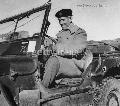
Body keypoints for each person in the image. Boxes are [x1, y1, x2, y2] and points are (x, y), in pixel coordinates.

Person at [41, 9, 93, 88]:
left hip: (76, 65)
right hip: (64, 63)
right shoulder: (60, 34)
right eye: (59, 20)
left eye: (63, 20)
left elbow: (77, 50)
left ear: (70, 18)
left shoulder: (79, 32)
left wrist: (55, 48)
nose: (61, 23)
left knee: (53, 60)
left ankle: (42, 90)